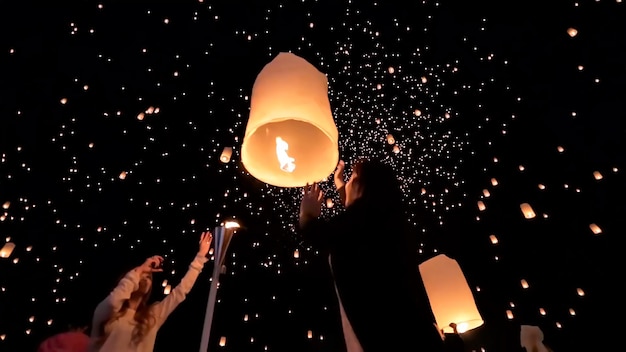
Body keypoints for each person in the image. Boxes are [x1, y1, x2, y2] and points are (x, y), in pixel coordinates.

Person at [298, 159, 444, 351]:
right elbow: (353, 223)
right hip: (412, 335)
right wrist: (342, 186)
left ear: (364, 186)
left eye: (353, 178)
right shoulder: (386, 222)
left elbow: (323, 234)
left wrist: (306, 217)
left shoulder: (364, 220)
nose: (348, 182)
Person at [88, 231, 212, 352]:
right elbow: (113, 302)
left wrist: (200, 256)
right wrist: (140, 270)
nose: (145, 277)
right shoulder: (107, 312)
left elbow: (181, 291)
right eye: (142, 274)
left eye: (148, 277)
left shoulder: (153, 316)